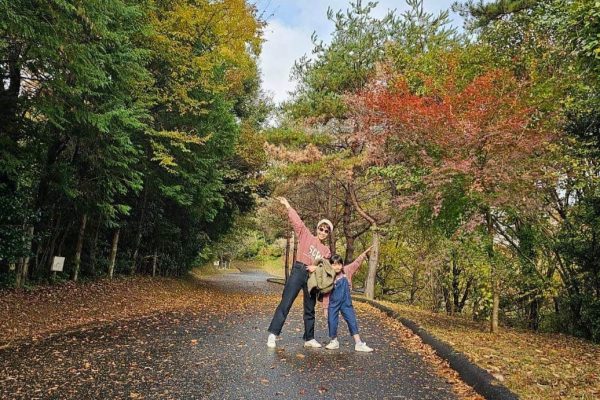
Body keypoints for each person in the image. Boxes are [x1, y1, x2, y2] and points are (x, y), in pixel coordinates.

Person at [267, 197, 333, 348]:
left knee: (310, 307)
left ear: (328, 234)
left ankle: (309, 338)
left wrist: (317, 268)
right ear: (317, 229)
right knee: (286, 302)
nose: (323, 232)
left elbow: (327, 268)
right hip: (299, 270)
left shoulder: (326, 251)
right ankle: (273, 334)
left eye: (326, 231)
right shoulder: (306, 235)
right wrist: (288, 206)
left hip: (312, 279)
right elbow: (297, 221)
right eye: (321, 229)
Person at [322, 248, 374, 352]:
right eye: (334, 264)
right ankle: (334, 341)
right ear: (330, 265)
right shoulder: (328, 276)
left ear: (342, 264)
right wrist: (325, 307)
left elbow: (357, 262)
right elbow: (326, 293)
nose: (337, 267)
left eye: (339, 264)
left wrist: (364, 253)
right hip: (333, 302)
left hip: (346, 302)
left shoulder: (347, 270)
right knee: (332, 321)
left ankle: (358, 343)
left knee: (352, 320)